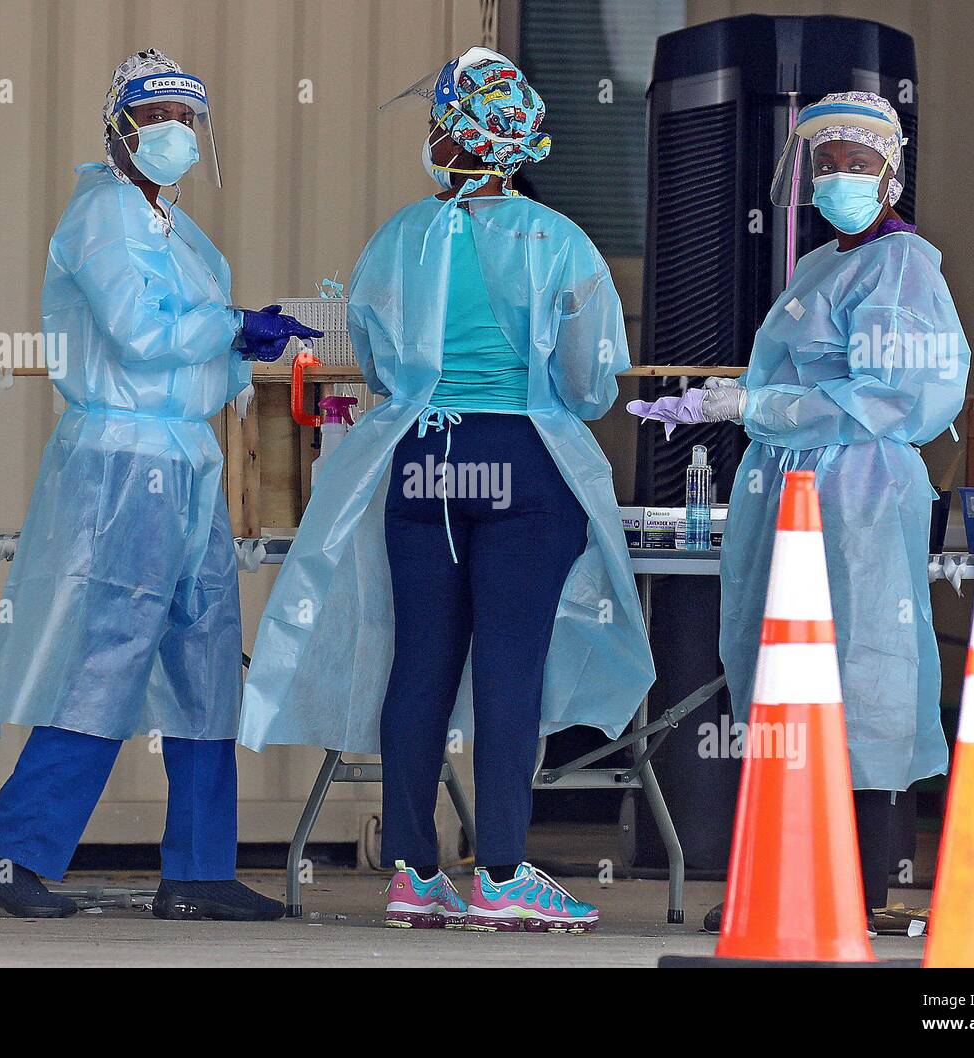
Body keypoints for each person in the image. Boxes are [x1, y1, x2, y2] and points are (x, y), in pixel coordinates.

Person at [241, 48, 655, 933]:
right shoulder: (558, 243)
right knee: (511, 664)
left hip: (423, 460)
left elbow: (384, 362)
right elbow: (589, 384)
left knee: (420, 662)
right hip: (521, 458)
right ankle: (501, 873)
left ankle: (412, 871)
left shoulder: (397, 238)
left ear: (454, 134)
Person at [0, 49, 320, 921]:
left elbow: (197, 357)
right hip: (126, 461)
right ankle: (6, 850)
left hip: (186, 459)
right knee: (108, 656)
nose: (176, 135)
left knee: (204, 663)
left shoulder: (179, 233)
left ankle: (197, 869)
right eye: (159, 120)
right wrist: (232, 326)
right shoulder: (104, 216)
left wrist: (246, 348)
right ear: (120, 130)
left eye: (187, 120)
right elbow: (141, 336)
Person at [630, 92, 970, 931]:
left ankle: (858, 892)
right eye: (826, 165)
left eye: (856, 162)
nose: (838, 178)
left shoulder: (901, 269)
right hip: (792, 486)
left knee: (861, 675)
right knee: (790, 680)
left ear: (891, 173)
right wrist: (742, 405)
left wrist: (753, 407)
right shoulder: (824, 263)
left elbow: (896, 398)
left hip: (856, 494)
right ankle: (789, 878)